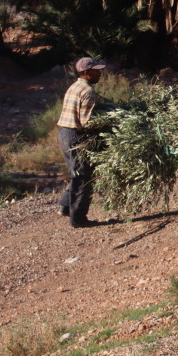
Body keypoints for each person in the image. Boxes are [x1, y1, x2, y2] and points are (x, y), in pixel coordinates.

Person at [57, 56, 106, 228]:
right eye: (96, 71)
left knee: (75, 172)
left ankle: (65, 206)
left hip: (64, 133)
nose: (100, 73)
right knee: (83, 176)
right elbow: (86, 122)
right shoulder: (88, 91)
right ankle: (78, 219)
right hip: (76, 136)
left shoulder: (74, 86)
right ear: (86, 72)